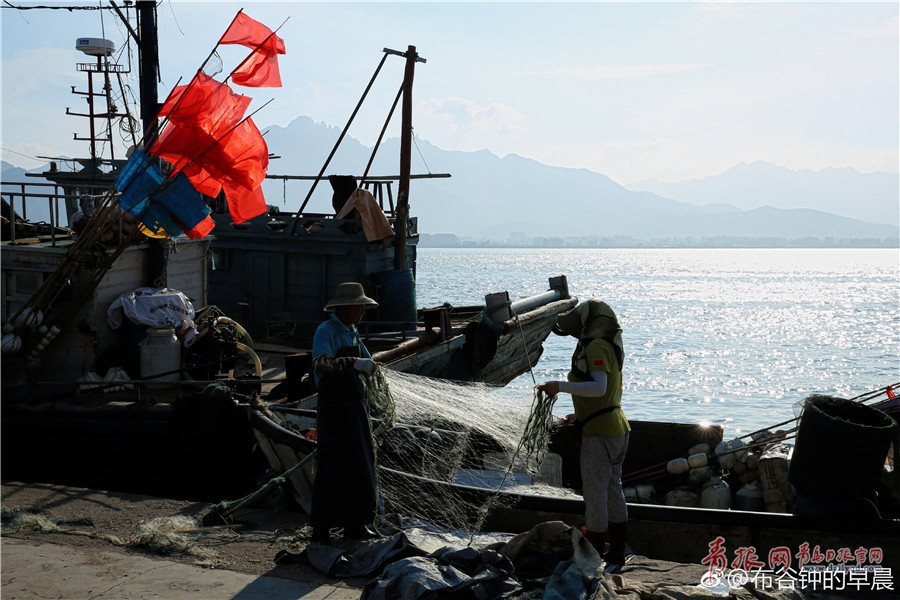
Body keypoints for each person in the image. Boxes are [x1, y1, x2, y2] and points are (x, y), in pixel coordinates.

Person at [537, 300, 630, 572]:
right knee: (614, 489)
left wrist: (559, 386)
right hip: (615, 427)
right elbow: (607, 393)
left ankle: (593, 557)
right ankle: (616, 555)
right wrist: (579, 416)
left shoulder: (596, 346)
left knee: (595, 494)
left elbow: (599, 388)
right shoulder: (607, 344)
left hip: (600, 434)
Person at [309, 281, 379, 543]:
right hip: (334, 410)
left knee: (360, 464)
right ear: (345, 308)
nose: (362, 311)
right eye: (360, 307)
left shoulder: (353, 332)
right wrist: (352, 362)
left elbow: (369, 362)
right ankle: (322, 528)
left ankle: (357, 524)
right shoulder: (326, 331)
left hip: (355, 406)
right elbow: (320, 362)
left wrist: (373, 367)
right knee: (332, 465)